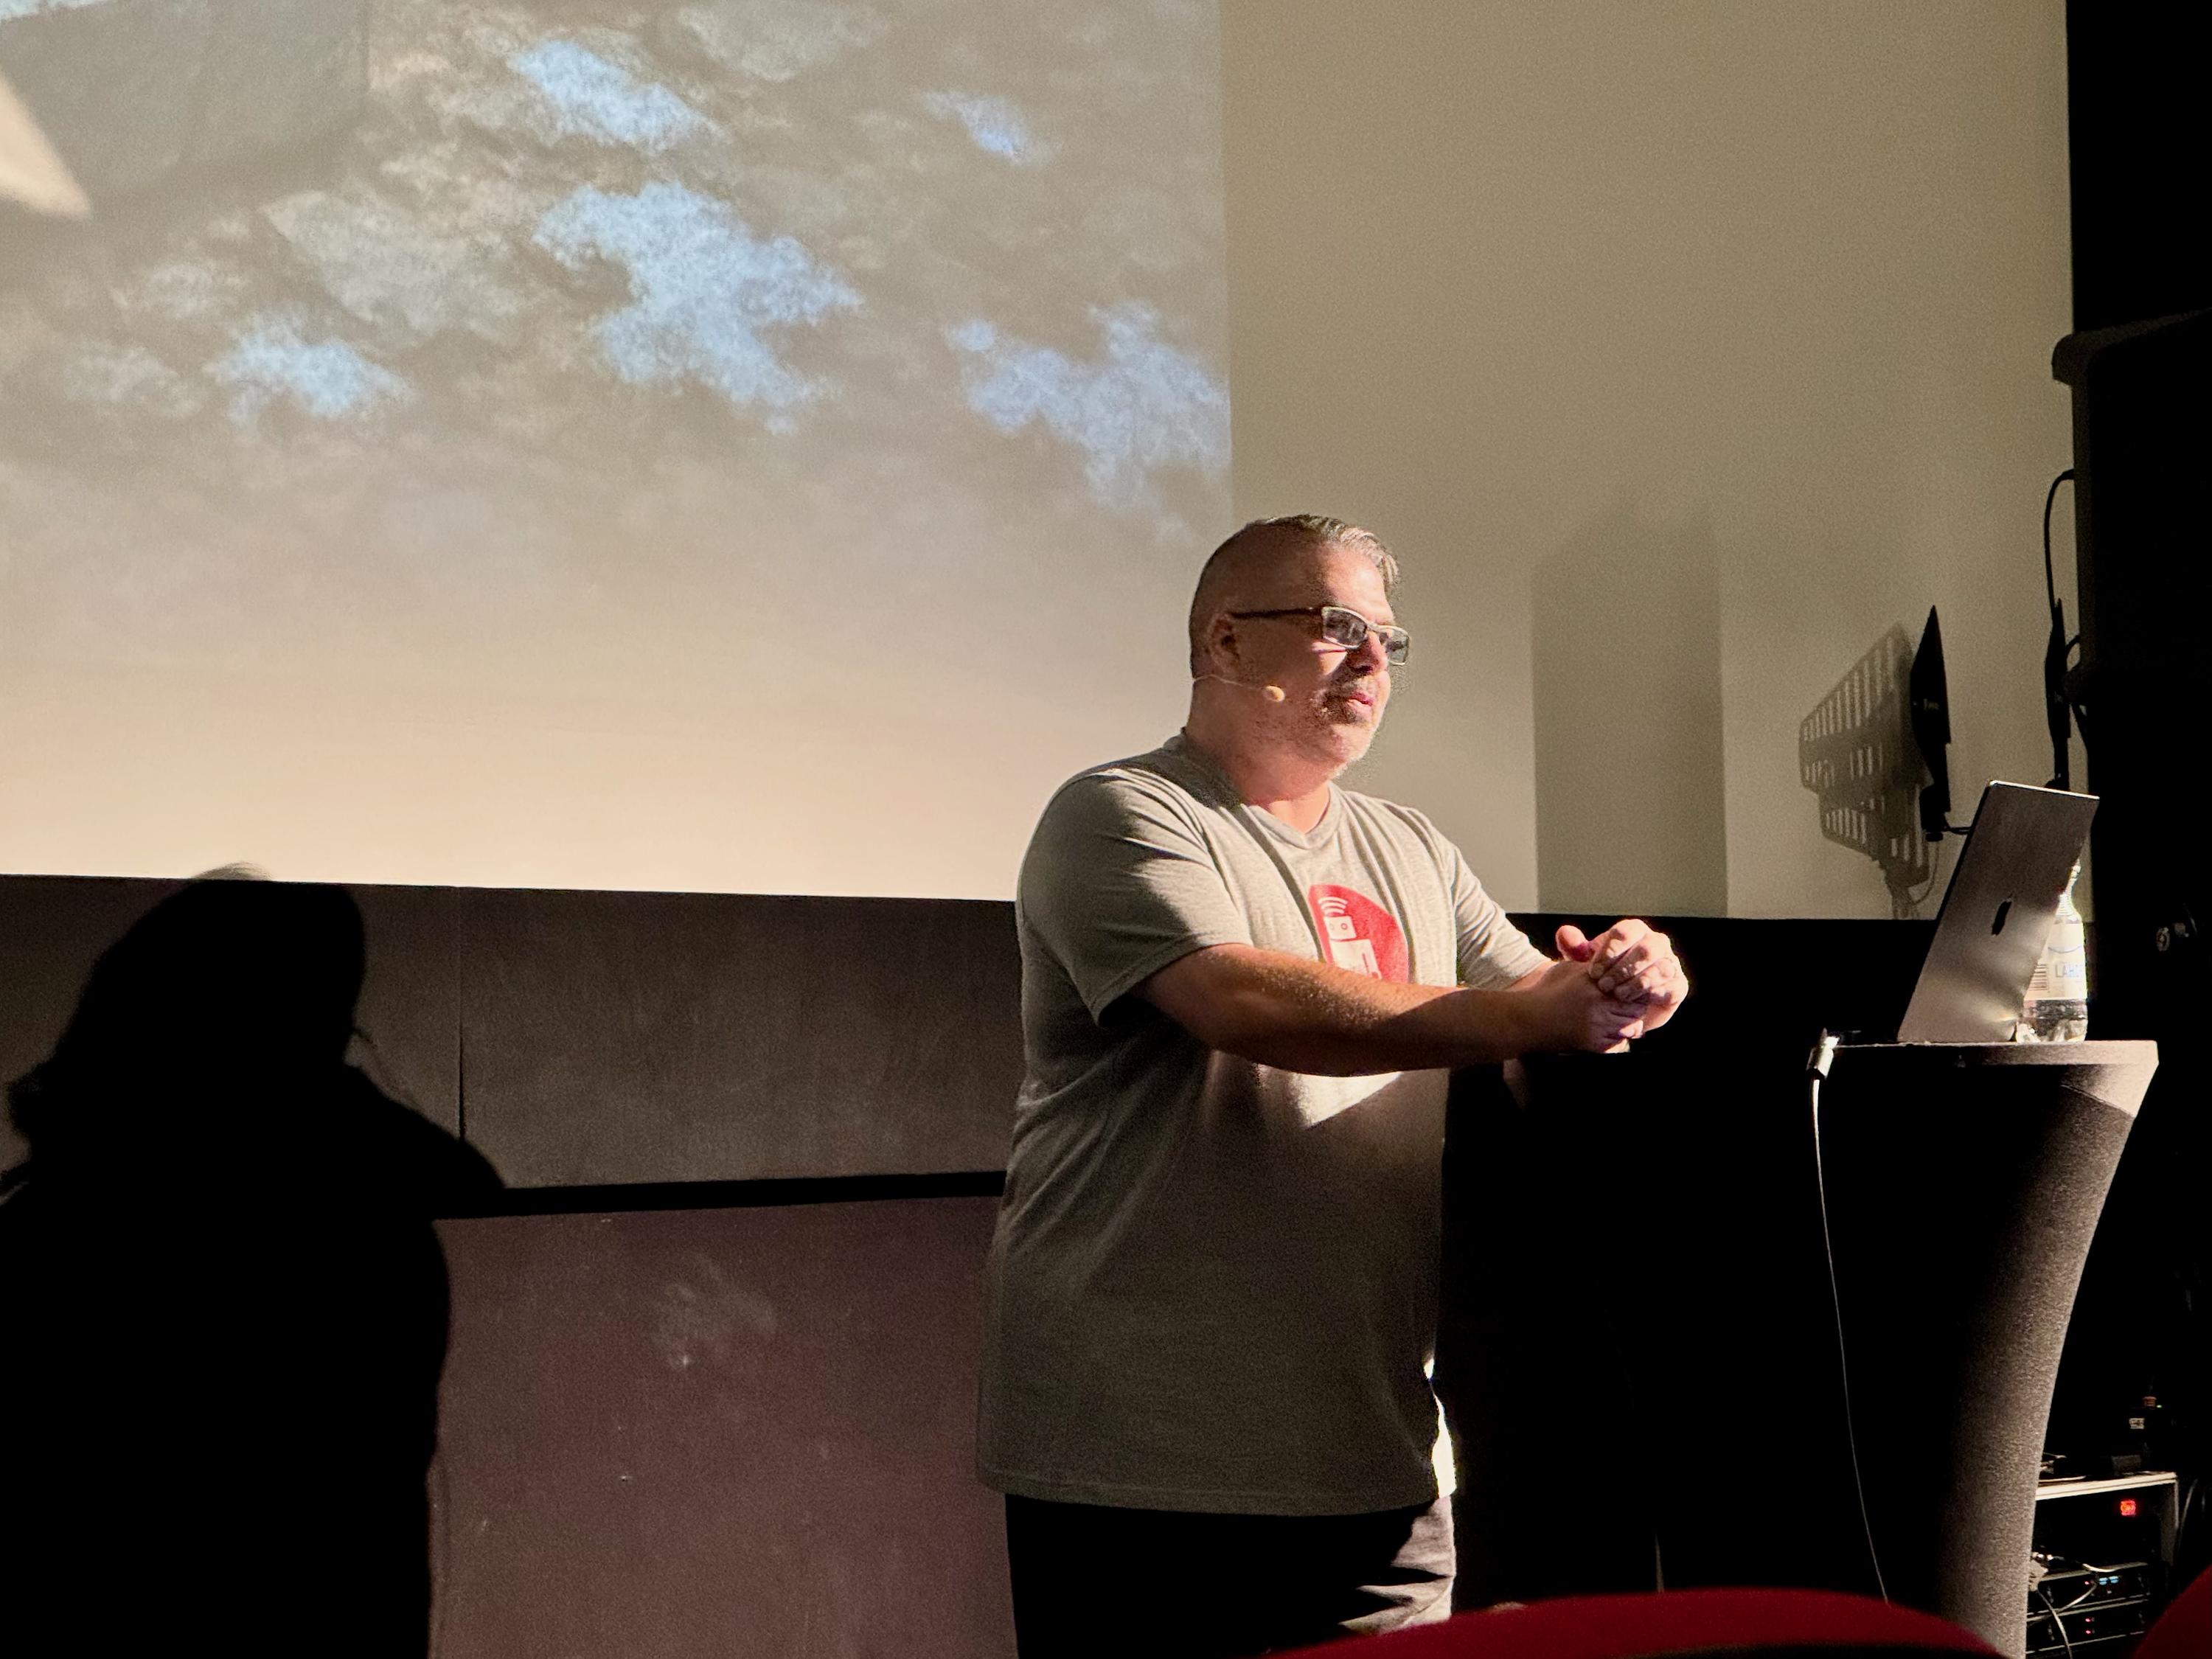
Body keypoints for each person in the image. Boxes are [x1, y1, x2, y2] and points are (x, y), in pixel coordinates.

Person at [977, 515, 1687, 1656]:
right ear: (1225, 640)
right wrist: (1536, 1011)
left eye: (1387, 640)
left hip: (1372, 1461)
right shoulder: (1121, 813)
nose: (1372, 661)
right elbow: (1244, 1003)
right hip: (1139, 1466)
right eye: (1337, 626)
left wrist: (1633, 979)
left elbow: (1548, 1005)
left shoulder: (1413, 847)